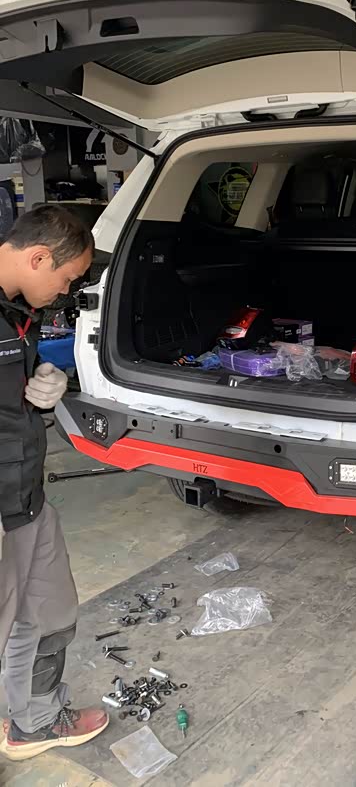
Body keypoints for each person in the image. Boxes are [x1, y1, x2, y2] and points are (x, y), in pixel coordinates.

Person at [0, 204, 108, 760]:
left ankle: (34, 722)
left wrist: (44, 382)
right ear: (39, 258)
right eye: (67, 279)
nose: (68, 292)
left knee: (50, 612)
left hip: (25, 495)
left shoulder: (17, 310)